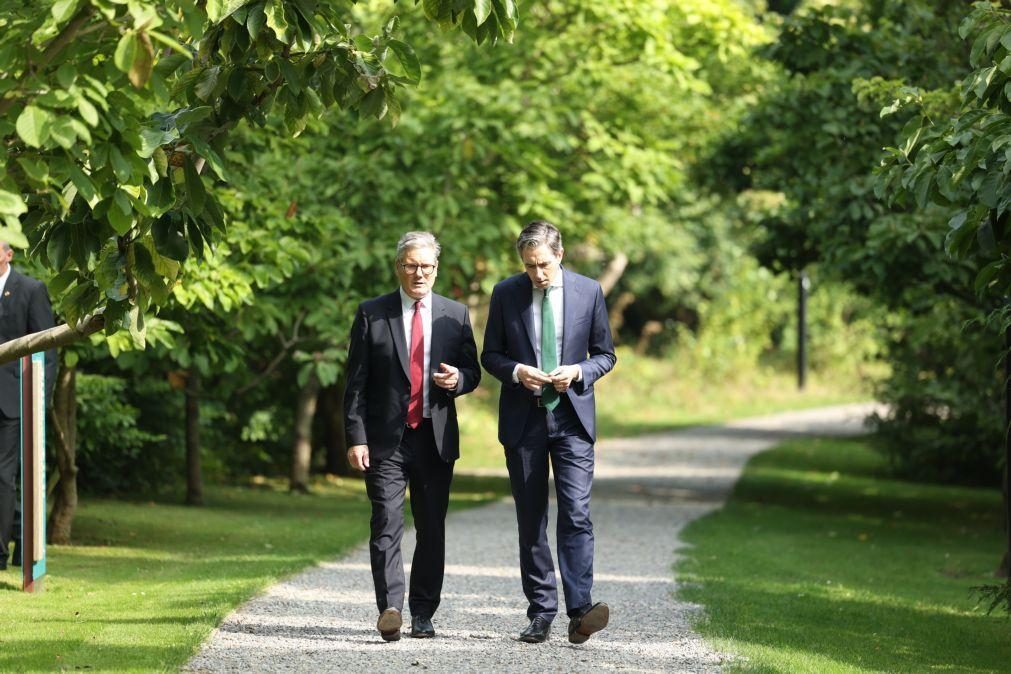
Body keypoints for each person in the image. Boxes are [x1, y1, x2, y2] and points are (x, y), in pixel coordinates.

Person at [481, 220, 617, 644]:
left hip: (572, 419)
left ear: (560, 255)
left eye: (542, 264)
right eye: (529, 266)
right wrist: (518, 371)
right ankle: (541, 611)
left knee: (576, 513)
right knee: (531, 517)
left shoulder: (589, 291)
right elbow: (491, 355)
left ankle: (580, 609)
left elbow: (606, 355)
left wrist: (578, 371)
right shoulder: (506, 293)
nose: (537, 274)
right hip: (524, 420)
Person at [344, 231, 481, 642]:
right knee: (385, 522)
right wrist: (356, 437)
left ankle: (423, 612)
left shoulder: (454, 315)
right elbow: (356, 383)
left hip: (434, 438)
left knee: (431, 528)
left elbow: (472, 372)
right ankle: (390, 609)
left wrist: (458, 379)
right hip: (387, 439)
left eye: (426, 266)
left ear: (436, 269)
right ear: (398, 267)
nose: (418, 272)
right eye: (410, 265)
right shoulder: (372, 313)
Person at [0, 242, 57, 571]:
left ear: (9, 254)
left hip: (14, 399)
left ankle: (2, 556)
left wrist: (40, 396)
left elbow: (47, 349)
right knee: (3, 481)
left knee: (3, 477)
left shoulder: (31, 289)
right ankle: (21, 541)